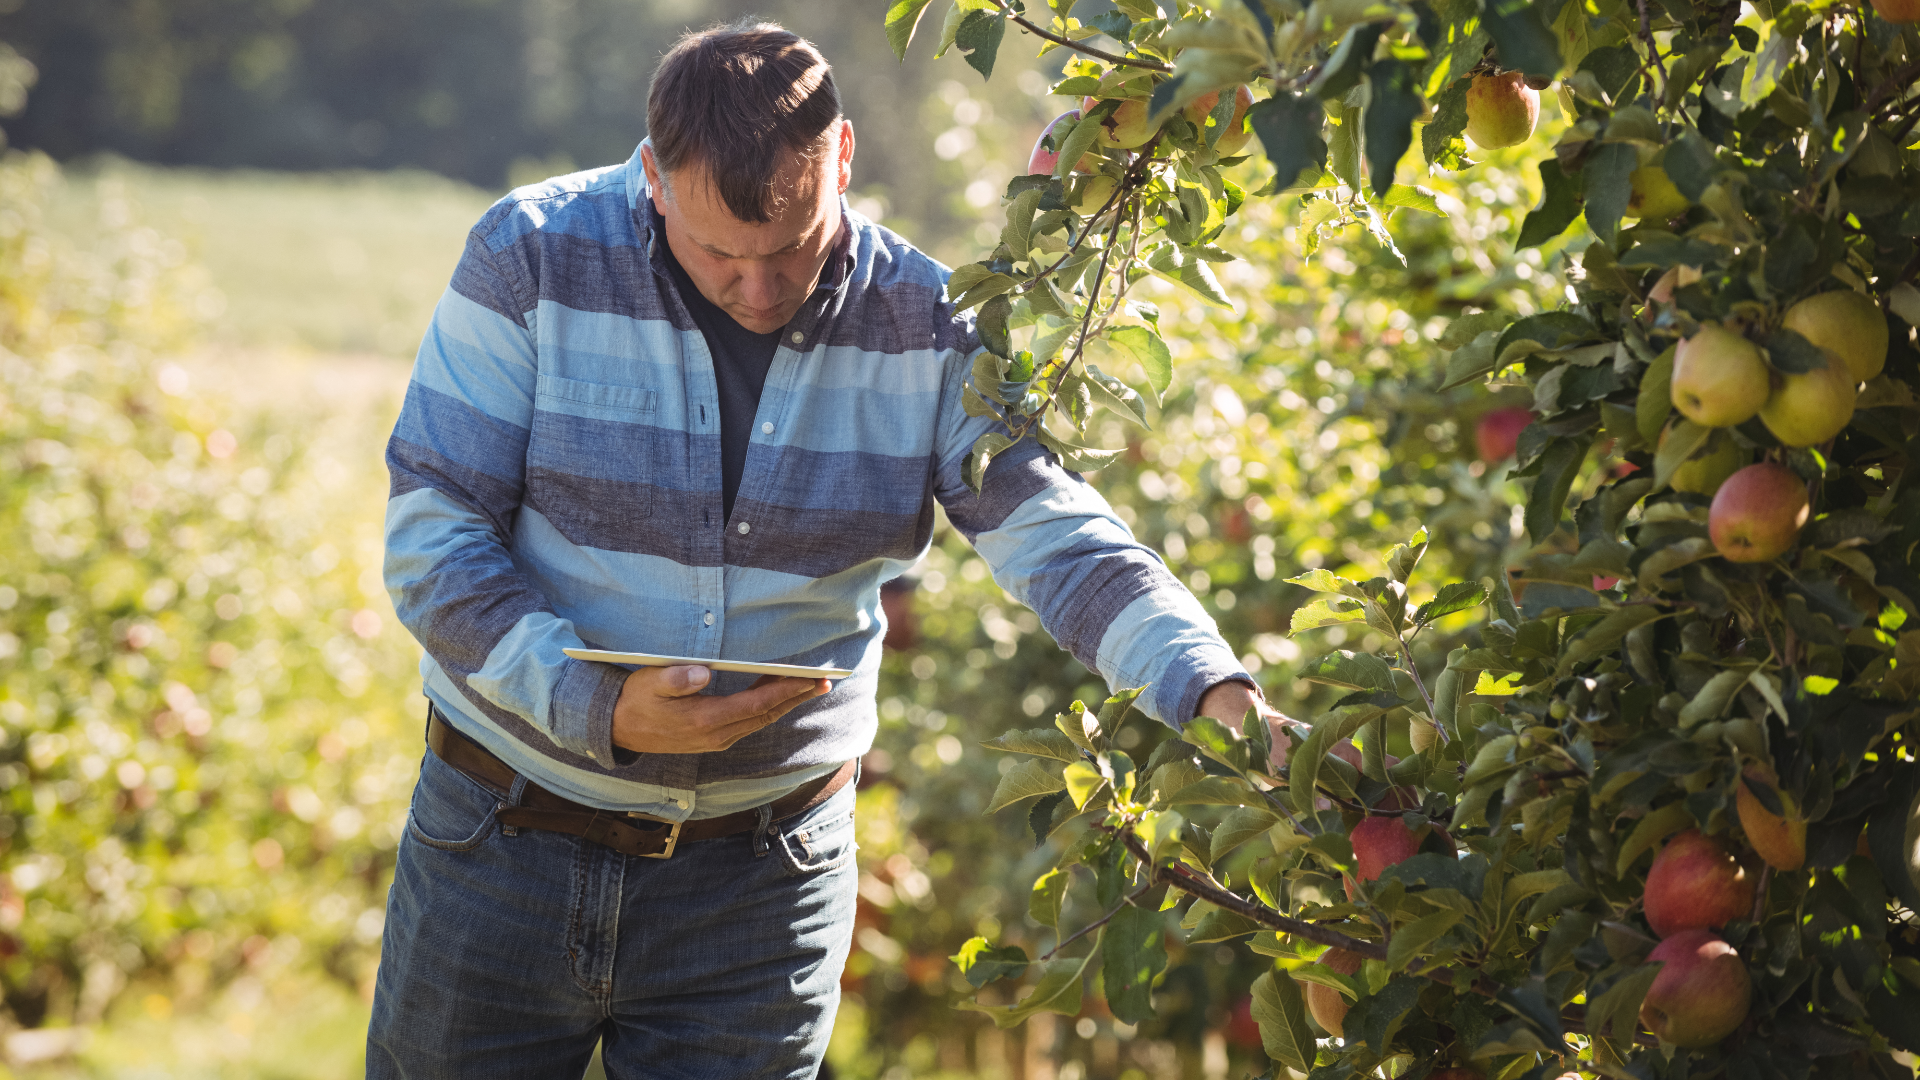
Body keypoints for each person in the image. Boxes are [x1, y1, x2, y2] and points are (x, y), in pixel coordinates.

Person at [368, 18, 1280, 1079]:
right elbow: (434, 532)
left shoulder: (928, 325)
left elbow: (1060, 540)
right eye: (719, 254)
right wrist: (597, 706)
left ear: (842, 159)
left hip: (758, 889)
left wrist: (1215, 693)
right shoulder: (532, 254)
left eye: (792, 247)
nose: (760, 292)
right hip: (503, 845)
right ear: (656, 177)